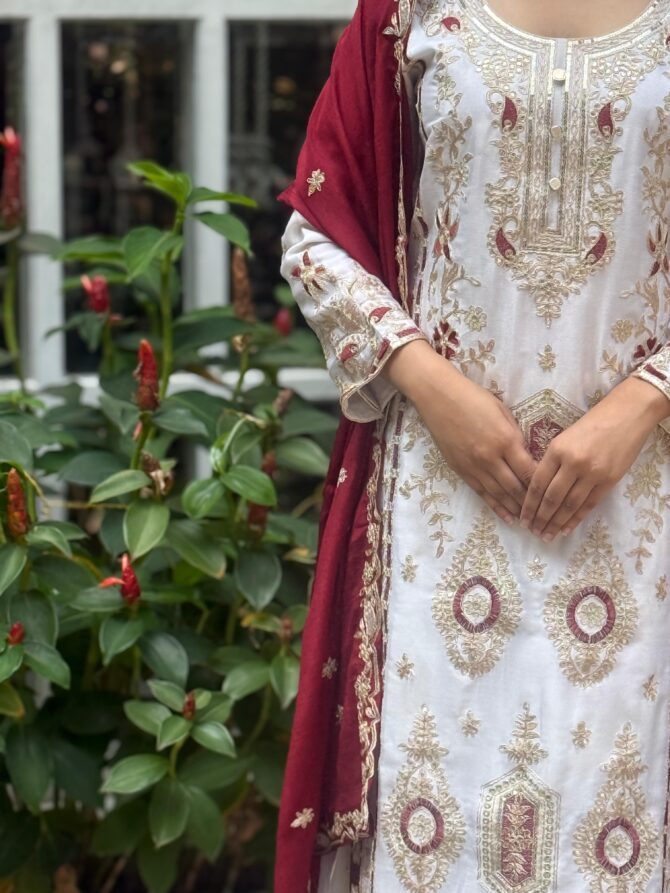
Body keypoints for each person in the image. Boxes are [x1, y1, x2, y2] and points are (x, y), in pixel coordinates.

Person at [276, 0, 670, 889]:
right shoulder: (409, 11)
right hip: (443, 524)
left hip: (641, 527)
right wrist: (427, 380)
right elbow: (315, 237)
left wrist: (644, 400)